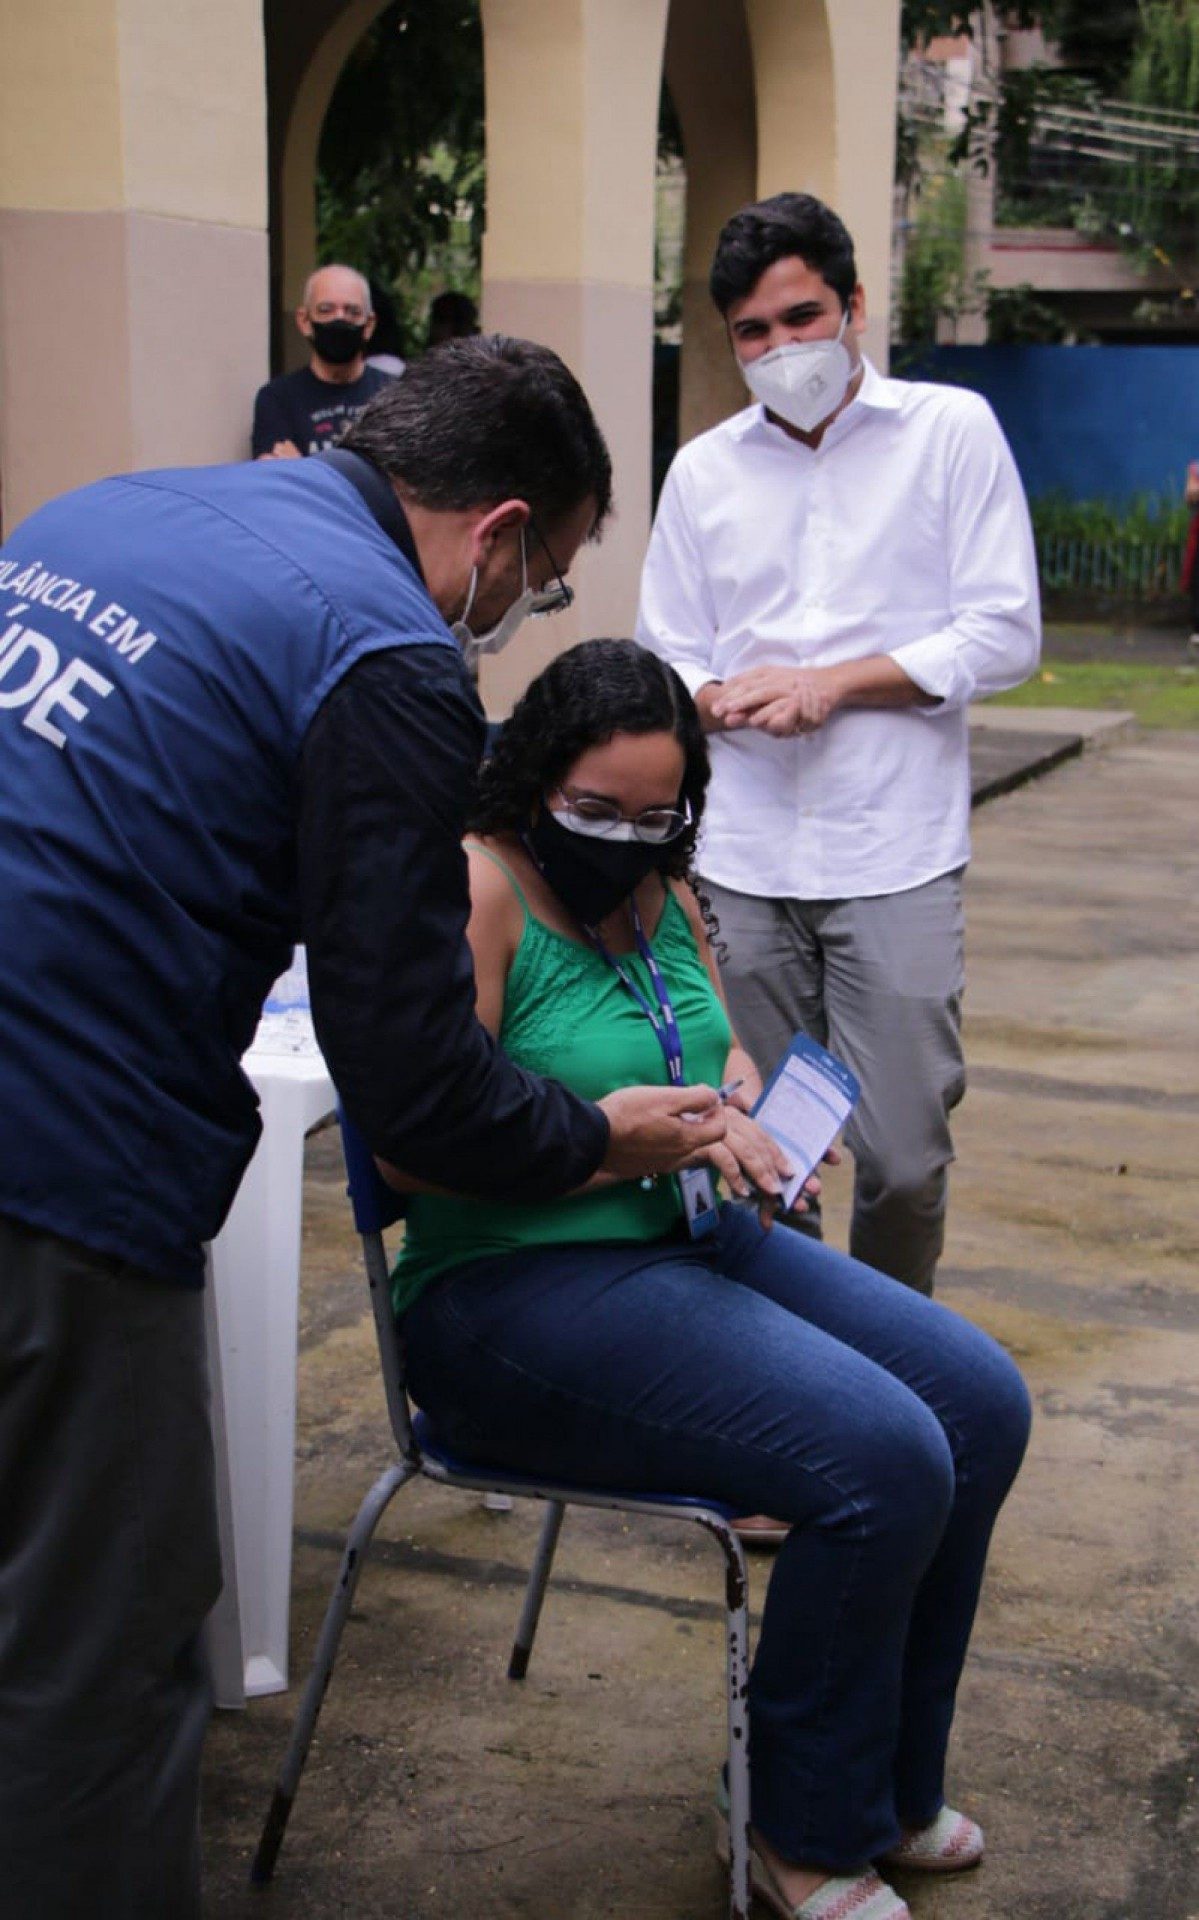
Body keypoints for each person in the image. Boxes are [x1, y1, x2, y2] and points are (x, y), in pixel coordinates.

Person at [0, 339, 729, 1920]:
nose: (524, 610)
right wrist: (592, 1137)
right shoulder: (389, 654)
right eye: (543, 580)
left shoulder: (100, 514)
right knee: (97, 1658)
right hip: (55, 1167)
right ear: (497, 531)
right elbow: (406, 1082)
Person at [389, 639, 1032, 1920]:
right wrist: (606, 1139)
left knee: (979, 1401)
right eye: (595, 810)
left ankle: (888, 1787)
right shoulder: (477, 890)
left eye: (656, 814)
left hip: (692, 1237)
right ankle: (796, 1829)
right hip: (511, 1294)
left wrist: (753, 1122)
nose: (626, 838)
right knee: (883, 1455)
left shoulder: (666, 896)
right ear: (530, 779)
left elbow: (719, 1053)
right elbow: (412, 1151)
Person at [636, 192, 1041, 1300]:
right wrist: (710, 698)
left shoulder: (946, 433)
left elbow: (1002, 632)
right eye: (752, 333)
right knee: (767, 1162)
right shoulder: (703, 473)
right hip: (742, 859)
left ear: (854, 304)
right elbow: (663, 650)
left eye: (801, 317)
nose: (779, 350)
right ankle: (799, 1378)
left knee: (904, 1162)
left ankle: (901, 1362)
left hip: (892, 853)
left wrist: (833, 686)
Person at [251, 263, 395, 459]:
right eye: (326, 310)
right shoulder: (277, 399)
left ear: (368, 325)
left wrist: (303, 467)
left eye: (352, 312)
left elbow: (407, 482)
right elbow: (277, 482)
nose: (339, 319)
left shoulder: (396, 395)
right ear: (304, 321)